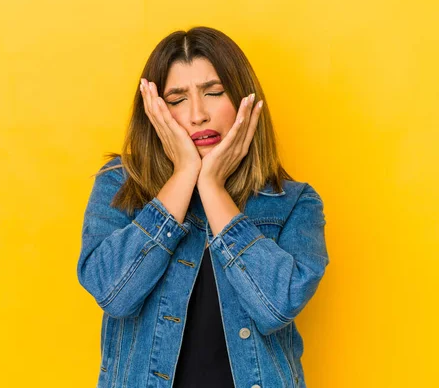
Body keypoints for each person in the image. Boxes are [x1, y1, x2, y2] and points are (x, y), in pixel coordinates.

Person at [77, 26, 330, 388]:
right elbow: (114, 294)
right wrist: (183, 174)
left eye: (214, 92)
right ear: (154, 111)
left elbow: (276, 306)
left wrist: (211, 187)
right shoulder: (120, 185)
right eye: (177, 99)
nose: (197, 115)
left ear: (245, 100)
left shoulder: (294, 203)